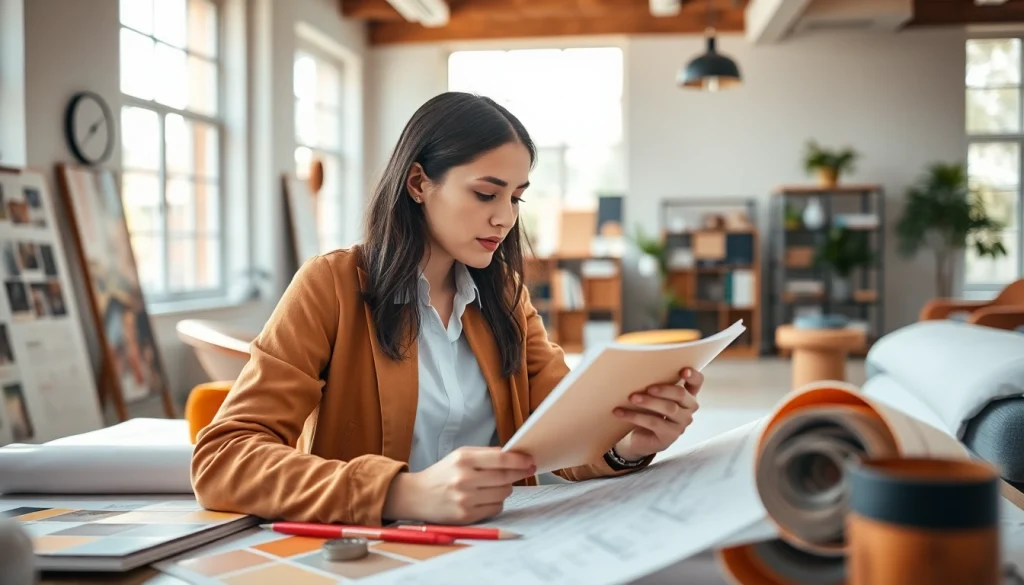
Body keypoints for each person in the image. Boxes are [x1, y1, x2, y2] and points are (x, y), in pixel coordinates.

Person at [190, 92, 705, 528]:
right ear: (418, 183)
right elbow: (222, 459)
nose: (503, 218)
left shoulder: (504, 296)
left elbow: (561, 435)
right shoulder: (331, 286)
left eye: (517, 198)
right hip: (371, 555)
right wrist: (401, 493)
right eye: (486, 193)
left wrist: (630, 444)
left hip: (500, 550)